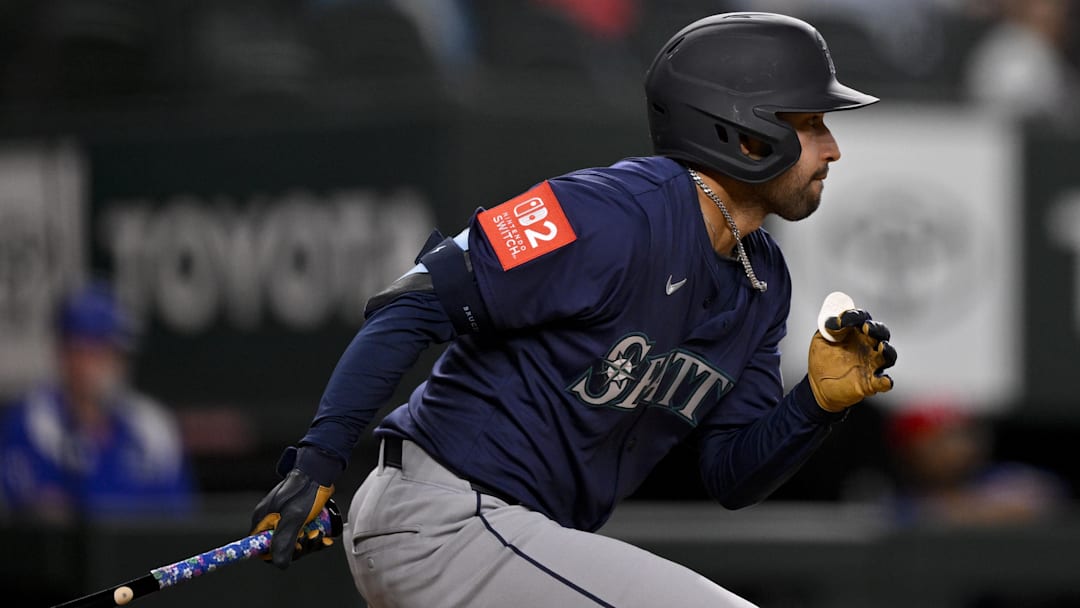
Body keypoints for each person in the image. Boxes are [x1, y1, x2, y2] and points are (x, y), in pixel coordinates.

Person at [250, 12, 898, 607]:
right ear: (746, 131)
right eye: (811, 123)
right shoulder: (609, 212)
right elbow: (410, 305)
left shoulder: (763, 280)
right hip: (447, 516)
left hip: (514, 535)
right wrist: (317, 463)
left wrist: (815, 403)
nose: (832, 148)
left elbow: (732, 475)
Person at [0, 283, 193, 521]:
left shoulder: (151, 427)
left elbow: (179, 522)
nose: (108, 365)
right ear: (66, 354)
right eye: (94, 350)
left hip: (147, 556)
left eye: (114, 351)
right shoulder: (32, 422)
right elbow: (37, 519)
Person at [885, 400, 1065, 527]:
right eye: (935, 442)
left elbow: (1044, 497)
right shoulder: (899, 501)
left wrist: (962, 511)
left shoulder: (997, 479)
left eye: (958, 437)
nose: (953, 449)